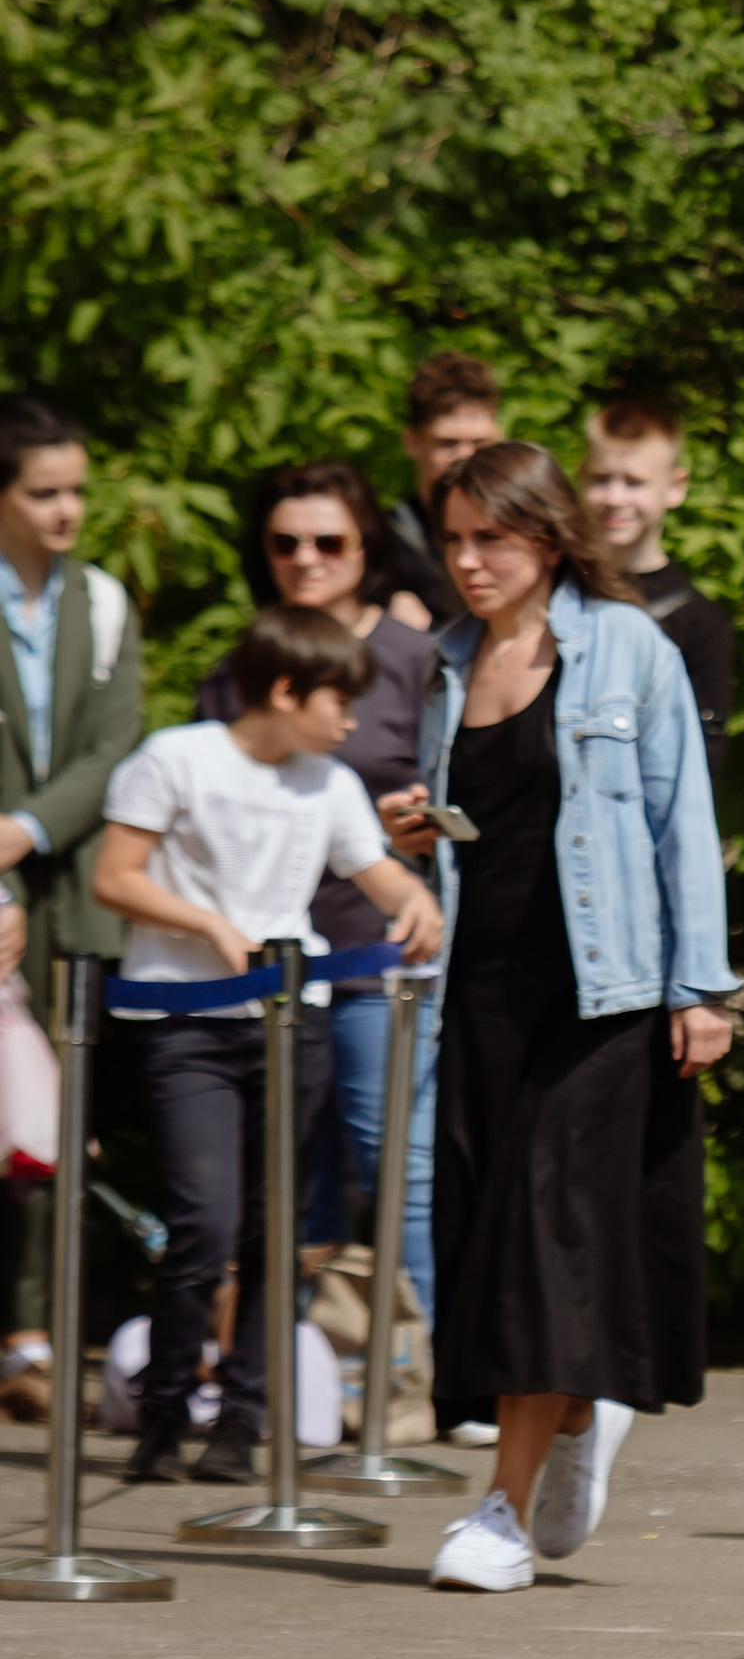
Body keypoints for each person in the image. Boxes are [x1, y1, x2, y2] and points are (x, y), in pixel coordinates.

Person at [387, 443, 736, 1594]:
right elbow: (493, 816)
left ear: (546, 534)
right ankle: (579, 1409)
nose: (470, 561)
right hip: (478, 992)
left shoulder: (626, 645)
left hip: (605, 993)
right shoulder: (446, 661)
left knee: (539, 1236)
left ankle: (498, 1509)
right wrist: (422, 829)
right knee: (489, 1240)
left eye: (491, 536)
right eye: (454, 541)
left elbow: (683, 817)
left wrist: (703, 989)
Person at [93, 607, 445, 1483]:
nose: (353, 720)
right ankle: (166, 1410)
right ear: (286, 690)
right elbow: (114, 875)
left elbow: (375, 868)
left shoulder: (327, 782)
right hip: (185, 1022)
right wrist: (207, 923)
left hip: (293, 1024)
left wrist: (415, 898)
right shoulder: (177, 757)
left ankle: (242, 1421)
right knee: (204, 1222)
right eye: (340, 700)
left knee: (274, 1227)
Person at [197, 463, 443, 1312]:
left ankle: (435, 1370)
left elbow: (471, 791)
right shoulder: (242, 665)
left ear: (367, 543)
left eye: (329, 539)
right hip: (269, 961)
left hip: (378, 951)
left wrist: (415, 826)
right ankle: (297, 1375)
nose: (307, 557)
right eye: (285, 541)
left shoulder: (418, 656)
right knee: (295, 1173)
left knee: (394, 1160)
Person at [0, 394, 144, 1426]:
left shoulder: (101, 599)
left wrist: (24, 831)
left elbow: (114, 748)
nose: (67, 511)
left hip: (70, 890)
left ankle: (35, 1335)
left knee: (56, 1123)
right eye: (44, 492)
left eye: (77, 490)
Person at [581, 401, 738, 783]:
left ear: (675, 487)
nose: (614, 498)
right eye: (601, 478)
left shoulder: (701, 624)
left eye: (634, 482)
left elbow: (701, 760)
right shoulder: (558, 591)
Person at [386, 353, 504, 626]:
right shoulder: (380, 542)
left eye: (480, 443)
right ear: (412, 442)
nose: (465, 457)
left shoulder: (522, 533)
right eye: (447, 443)